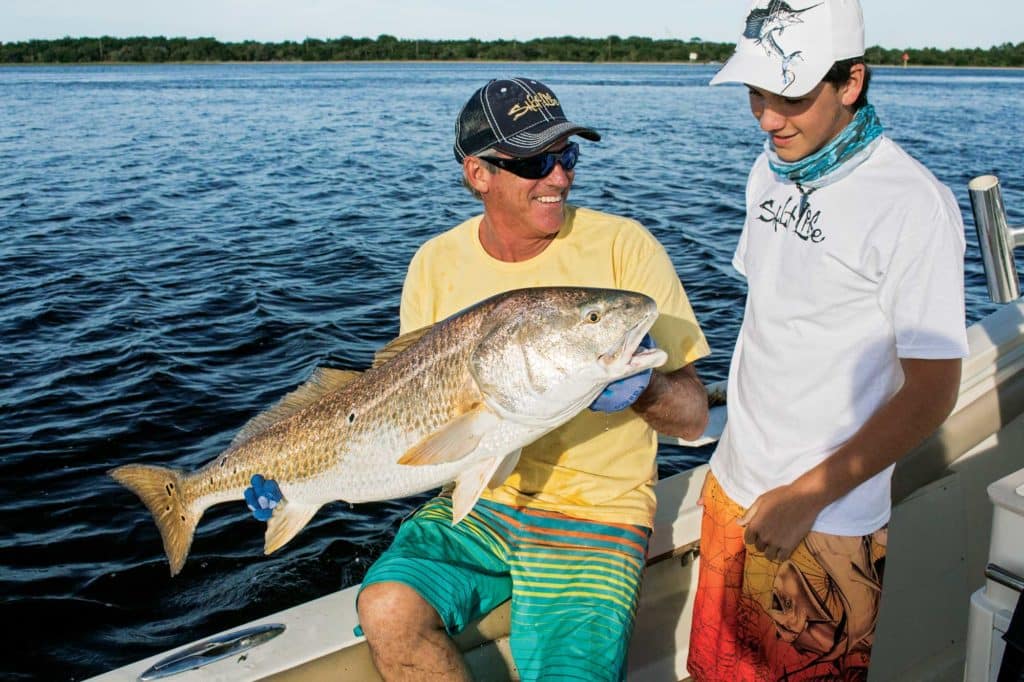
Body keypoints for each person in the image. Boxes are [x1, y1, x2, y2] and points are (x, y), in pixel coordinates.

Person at [248, 77, 710, 680]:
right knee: (387, 606)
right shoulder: (434, 264)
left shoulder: (625, 248)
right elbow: (406, 418)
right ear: (479, 174)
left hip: (597, 511)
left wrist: (645, 388)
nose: (560, 177)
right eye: (535, 161)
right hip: (478, 501)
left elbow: (697, 415)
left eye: (567, 155)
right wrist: (300, 477)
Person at [686, 1, 969, 680]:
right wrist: (727, 471)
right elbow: (774, 326)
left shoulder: (913, 205)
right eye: (756, 94)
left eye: (790, 97)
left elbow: (934, 390)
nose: (768, 118)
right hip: (733, 489)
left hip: (826, 515)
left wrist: (808, 495)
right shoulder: (770, 170)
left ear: (852, 82)